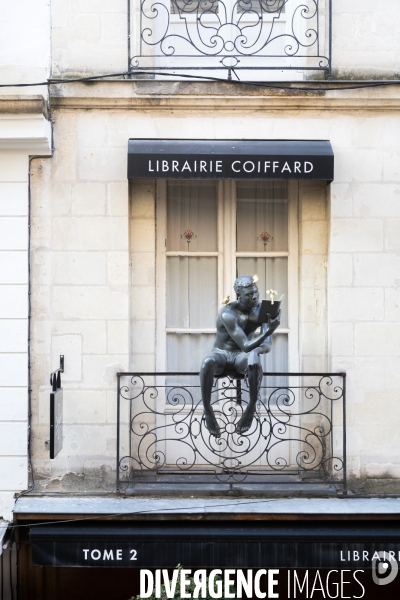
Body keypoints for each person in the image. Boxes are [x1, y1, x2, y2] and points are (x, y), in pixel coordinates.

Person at [200, 275, 281, 437]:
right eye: (249, 295)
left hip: (240, 357)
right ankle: (208, 410)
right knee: (207, 362)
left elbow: (267, 344)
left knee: (254, 361)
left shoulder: (262, 310)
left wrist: (255, 352)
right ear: (239, 295)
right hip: (221, 355)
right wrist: (270, 331)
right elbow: (245, 344)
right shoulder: (228, 313)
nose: (254, 297)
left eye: (255, 292)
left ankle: (251, 407)